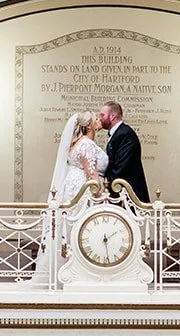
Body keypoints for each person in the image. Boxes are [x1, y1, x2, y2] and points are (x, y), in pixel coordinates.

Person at [28, 110, 107, 284]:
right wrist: (102, 195)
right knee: (80, 227)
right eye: (96, 118)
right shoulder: (86, 144)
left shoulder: (76, 142)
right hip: (82, 189)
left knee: (72, 227)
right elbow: (91, 174)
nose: (99, 120)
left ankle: (72, 270)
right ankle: (79, 272)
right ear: (88, 126)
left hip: (72, 186)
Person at [100, 100, 150, 203]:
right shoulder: (118, 133)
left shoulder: (125, 134)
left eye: (102, 115)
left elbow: (121, 166)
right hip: (119, 192)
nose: (100, 119)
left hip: (128, 194)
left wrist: (108, 186)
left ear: (112, 116)